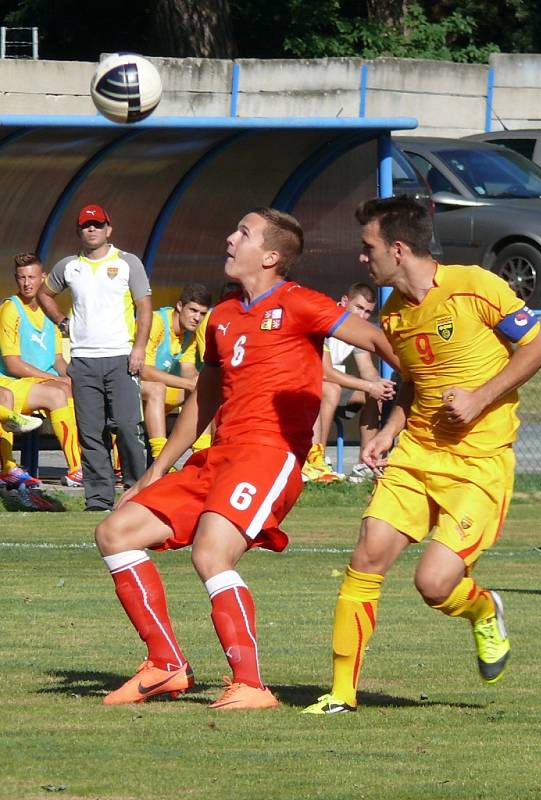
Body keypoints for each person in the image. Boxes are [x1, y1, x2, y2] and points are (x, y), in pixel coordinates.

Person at [93, 206, 402, 709]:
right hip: (217, 455)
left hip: (269, 456)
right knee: (115, 531)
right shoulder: (222, 316)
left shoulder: (300, 302)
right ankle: (166, 665)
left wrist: (425, 381)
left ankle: (252, 685)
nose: (230, 238)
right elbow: (204, 398)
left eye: (244, 232)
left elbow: (373, 339)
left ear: (273, 255)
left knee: (211, 553)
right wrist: (155, 469)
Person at [303, 195, 541, 715]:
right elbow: (415, 386)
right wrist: (389, 431)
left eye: (368, 246)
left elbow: (539, 347)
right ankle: (341, 696)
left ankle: (483, 609)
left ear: (397, 248)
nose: (361, 257)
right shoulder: (394, 314)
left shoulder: (475, 286)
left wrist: (480, 397)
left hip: (478, 465)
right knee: (368, 553)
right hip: (417, 455)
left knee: (434, 584)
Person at [37, 204, 152, 512]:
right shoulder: (68, 266)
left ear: (108, 229)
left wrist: (139, 348)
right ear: (79, 231)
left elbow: (145, 307)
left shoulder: (128, 263)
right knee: (90, 432)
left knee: (128, 427)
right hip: (84, 360)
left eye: (98, 225)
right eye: (87, 225)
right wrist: (62, 321)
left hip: (121, 357)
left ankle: (136, 494)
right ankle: (99, 500)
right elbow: (44, 294)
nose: (92, 230)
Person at [0, 253, 82, 487]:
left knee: (78, 390)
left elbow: (57, 360)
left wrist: (75, 378)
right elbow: (13, 365)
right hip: (10, 381)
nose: (27, 283)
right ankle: (75, 468)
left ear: (43, 278)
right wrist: (57, 380)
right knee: (57, 391)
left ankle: (85, 466)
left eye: (32, 277)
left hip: (38, 382)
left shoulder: (49, 310)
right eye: (21, 278)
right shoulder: (10, 309)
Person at [302, 282, 395, 483]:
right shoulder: (325, 320)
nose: (362, 316)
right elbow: (325, 372)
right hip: (307, 385)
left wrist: (379, 385)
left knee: (376, 394)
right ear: (344, 301)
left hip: (335, 385)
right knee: (331, 388)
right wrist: (369, 385)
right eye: (358, 308)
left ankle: (366, 463)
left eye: (368, 312)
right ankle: (316, 459)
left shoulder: (358, 329)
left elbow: (367, 369)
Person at [141, 283, 212, 462]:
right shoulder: (156, 321)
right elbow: (144, 371)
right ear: (180, 306)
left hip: (158, 393)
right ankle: (160, 457)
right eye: (193, 310)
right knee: (157, 388)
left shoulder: (190, 333)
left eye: (203, 314)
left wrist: (198, 382)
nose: (197, 318)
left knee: (204, 391)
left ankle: (203, 455)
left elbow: (187, 368)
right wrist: (188, 383)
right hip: (129, 386)